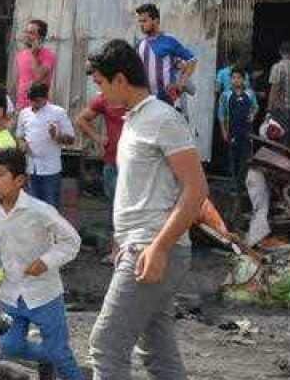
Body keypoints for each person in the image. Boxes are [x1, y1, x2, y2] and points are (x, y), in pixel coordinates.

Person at [86, 39, 207, 380]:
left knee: (106, 345)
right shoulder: (134, 120)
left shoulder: (163, 119)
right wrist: (120, 237)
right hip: (138, 245)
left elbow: (196, 190)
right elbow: (139, 191)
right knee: (157, 348)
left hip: (152, 248)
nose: (100, 92)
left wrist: (158, 246)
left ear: (120, 79)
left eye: (101, 83)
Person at [0, 147, 83, 380]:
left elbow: (71, 241)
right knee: (9, 346)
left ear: (19, 180)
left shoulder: (40, 210)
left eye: (0, 173)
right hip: (11, 294)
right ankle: (47, 357)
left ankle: (56, 359)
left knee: (61, 355)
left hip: (44, 294)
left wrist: (45, 262)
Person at [14, 82, 75, 210]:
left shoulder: (58, 112)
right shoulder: (24, 113)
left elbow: (71, 139)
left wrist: (57, 136)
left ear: (45, 98)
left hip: (50, 169)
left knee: (50, 208)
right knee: (32, 207)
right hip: (31, 168)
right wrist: (22, 144)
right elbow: (19, 136)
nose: (33, 104)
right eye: (30, 100)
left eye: (36, 101)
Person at [134, 4, 197, 104]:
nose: (141, 25)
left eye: (144, 21)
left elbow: (192, 60)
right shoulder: (140, 44)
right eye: (140, 21)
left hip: (167, 101)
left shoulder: (169, 40)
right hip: (147, 102)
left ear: (156, 21)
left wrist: (181, 82)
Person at [76, 91, 127, 206]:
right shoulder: (104, 98)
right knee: (114, 204)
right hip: (112, 160)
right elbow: (81, 119)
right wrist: (98, 137)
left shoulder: (135, 97)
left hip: (134, 162)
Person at [218, 68, 259, 182]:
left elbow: (256, 107)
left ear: (244, 80)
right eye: (233, 78)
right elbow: (221, 114)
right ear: (230, 80)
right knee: (233, 159)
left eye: (239, 78)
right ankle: (235, 185)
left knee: (246, 159)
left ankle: (244, 184)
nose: (236, 80)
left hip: (247, 132)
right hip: (232, 131)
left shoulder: (250, 93)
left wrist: (253, 115)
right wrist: (224, 131)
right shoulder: (225, 95)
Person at [15, 19, 57, 109]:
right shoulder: (21, 55)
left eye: (31, 33)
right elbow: (20, 82)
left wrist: (34, 55)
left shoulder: (48, 55)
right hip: (22, 106)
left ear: (40, 37)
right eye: (26, 32)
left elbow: (38, 77)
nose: (27, 35)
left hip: (40, 106)